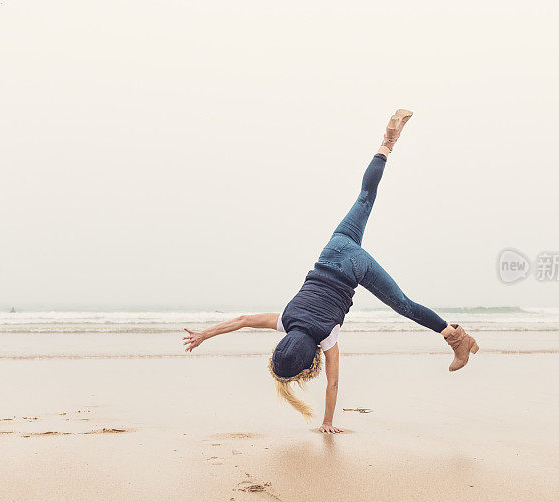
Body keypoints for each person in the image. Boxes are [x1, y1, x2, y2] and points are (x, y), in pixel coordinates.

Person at [183, 110, 479, 433]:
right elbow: (242, 321)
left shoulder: (327, 337)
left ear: (312, 358)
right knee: (365, 196)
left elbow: (333, 383)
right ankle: (387, 143)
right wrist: (204, 334)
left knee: (403, 305)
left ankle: (455, 337)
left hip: (354, 266)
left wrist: (327, 422)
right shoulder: (285, 319)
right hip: (334, 248)